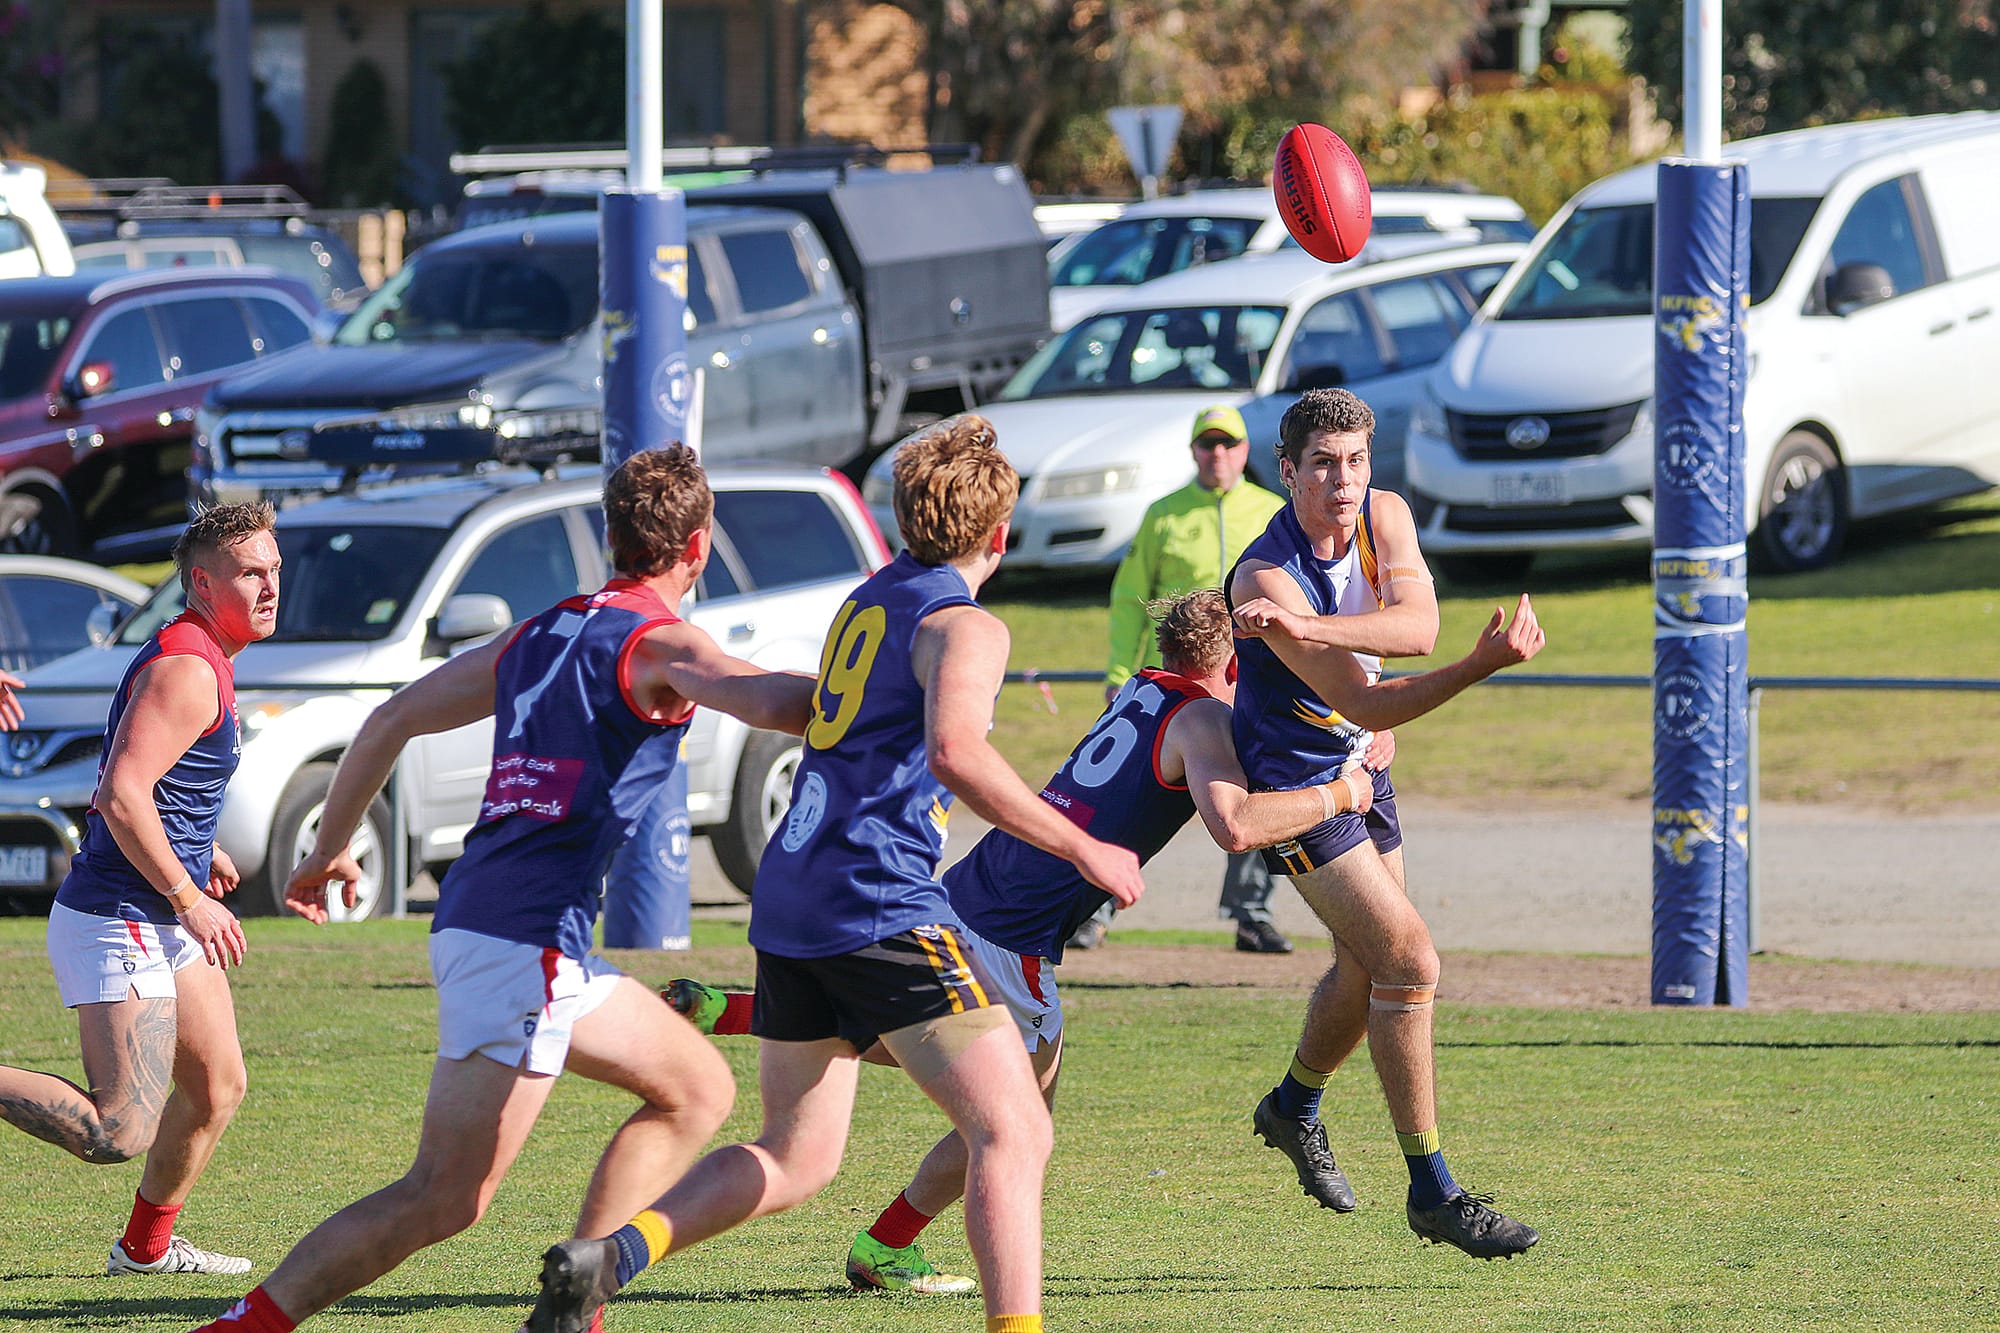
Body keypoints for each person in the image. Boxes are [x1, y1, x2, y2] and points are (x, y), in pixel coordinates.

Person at [521, 416, 1145, 1333]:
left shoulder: (875, 594)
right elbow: (956, 751)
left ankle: (611, 1254)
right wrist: (1085, 846)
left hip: (794, 889)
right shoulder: (965, 624)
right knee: (1014, 1131)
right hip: (876, 898)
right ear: (999, 535)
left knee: (799, 1154)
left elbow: (843, 712)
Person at [187, 446, 818, 1333]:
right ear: (699, 546)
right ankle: (260, 1321)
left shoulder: (540, 632)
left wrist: (329, 848)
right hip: (529, 940)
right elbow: (762, 698)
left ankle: (578, 1293)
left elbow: (389, 718)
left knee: (691, 1087)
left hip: (487, 925)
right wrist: (872, 693)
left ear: (609, 536)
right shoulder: (666, 641)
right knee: (443, 1196)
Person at [667, 587, 1381, 1294]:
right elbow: (1238, 824)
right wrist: (1347, 790)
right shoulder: (1200, 721)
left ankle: (732, 1011)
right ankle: (884, 1244)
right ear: (1234, 668)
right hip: (1017, 932)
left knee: (945, 1051)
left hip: (972, 887)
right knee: (1016, 1116)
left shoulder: (1144, 691)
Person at [1227, 386, 1545, 1259]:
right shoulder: (1262, 577)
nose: (1344, 481)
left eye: (1358, 460)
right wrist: (1479, 667)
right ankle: (1433, 1188)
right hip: (1297, 783)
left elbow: (1417, 626)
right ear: (1285, 472)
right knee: (1411, 957)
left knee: (1367, 966)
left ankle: (1291, 1106)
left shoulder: (1384, 514)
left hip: (1361, 757)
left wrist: (1311, 625)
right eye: (1323, 464)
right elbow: (1364, 690)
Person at [0, 503, 276, 1276]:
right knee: (116, 1129)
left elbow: (144, 782)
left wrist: (199, 850)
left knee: (217, 1086)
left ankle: (144, 1251)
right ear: (200, 582)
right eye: (250, 572)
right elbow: (120, 795)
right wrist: (190, 895)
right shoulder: (187, 667)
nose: (268, 586)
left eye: (274, 569)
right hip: (118, 914)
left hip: (160, 909)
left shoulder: (207, 655)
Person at [1085, 403, 1290, 954]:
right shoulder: (1165, 513)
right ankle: (1092, 905)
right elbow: (1130, 597)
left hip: (1253, 675)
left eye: (1228, 444)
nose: (1218, 454)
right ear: (1194, 450)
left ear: (1246, 452)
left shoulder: (1275, 511)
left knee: (1260, 788)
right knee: (1133, 782)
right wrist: (1118, 673)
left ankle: (1251, 913)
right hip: (1176, 675)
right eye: (1208, 444)